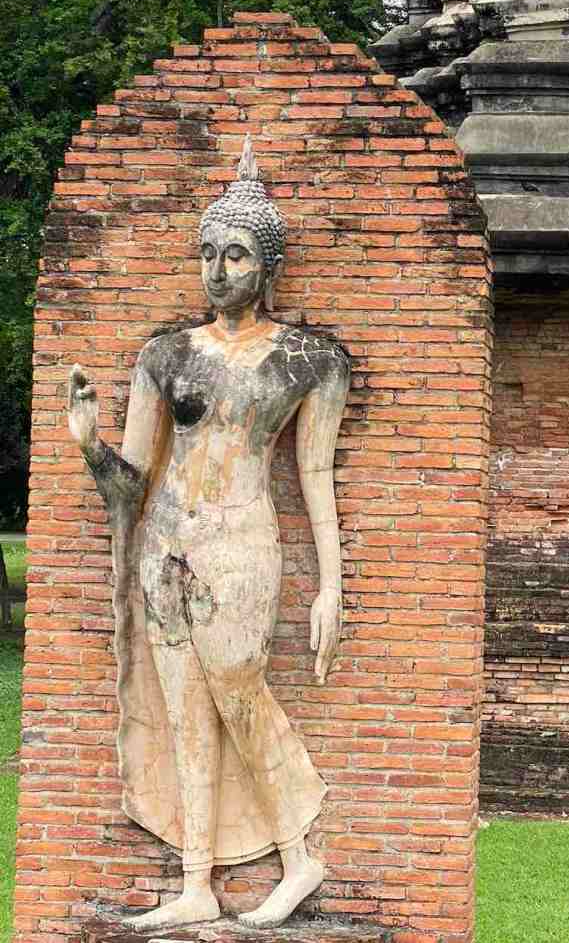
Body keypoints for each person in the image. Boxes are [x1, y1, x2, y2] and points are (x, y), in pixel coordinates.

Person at [67, 136, 350, 930]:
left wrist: (331, 584)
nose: (218, 271)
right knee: (186, 710)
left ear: (268, 264)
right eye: (208, 254)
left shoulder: (308, 359)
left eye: (236, 255)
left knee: (238, 691)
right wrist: (91, 445)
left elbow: (315, 474)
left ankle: (298, 855)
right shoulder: (165, 355)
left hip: (241, 545)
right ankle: (197, 880)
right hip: (165, 542)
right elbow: (130, 485)